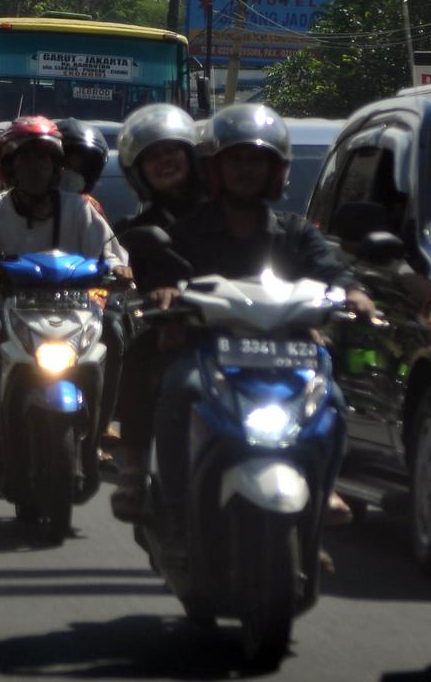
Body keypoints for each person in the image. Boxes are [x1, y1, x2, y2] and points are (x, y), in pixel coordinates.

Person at [116, 104, 375, 536]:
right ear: (216, 169)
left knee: (332, 399)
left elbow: (331, 271)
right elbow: (165, 276)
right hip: (210, 353)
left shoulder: (296, 231)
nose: (245, 170)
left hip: (289, 350)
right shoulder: (190, 231)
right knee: (178, 388)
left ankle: (323, 487)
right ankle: (175, 508)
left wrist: (355, 294)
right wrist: (165, 296)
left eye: (256, 160)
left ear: (276, 169)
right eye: (235, 160)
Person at [0, 116, 130, 475]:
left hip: (77, 310)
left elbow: (112, 252)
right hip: (9, 307)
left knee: (115, 326)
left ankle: (100, 432)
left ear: (56, 166)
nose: (35, 169)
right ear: (10, 166)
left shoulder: (79, 208)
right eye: (26, 160)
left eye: (43, 160)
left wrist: (120, 269)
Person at [108, 104, 204, 518]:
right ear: (138, 170)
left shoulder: (225, 208)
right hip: (178, 329)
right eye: (153, 157)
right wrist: (161, 294)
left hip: (241, 324)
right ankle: (132, 465)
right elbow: (144, 276)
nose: (165, 162)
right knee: (141, 353)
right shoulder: (140, 224)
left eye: (172, 152)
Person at [56, 118, 110, 217]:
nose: (70, 175)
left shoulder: (92, 209)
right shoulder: (29, 205)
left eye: (77, 169)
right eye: (65, 166)